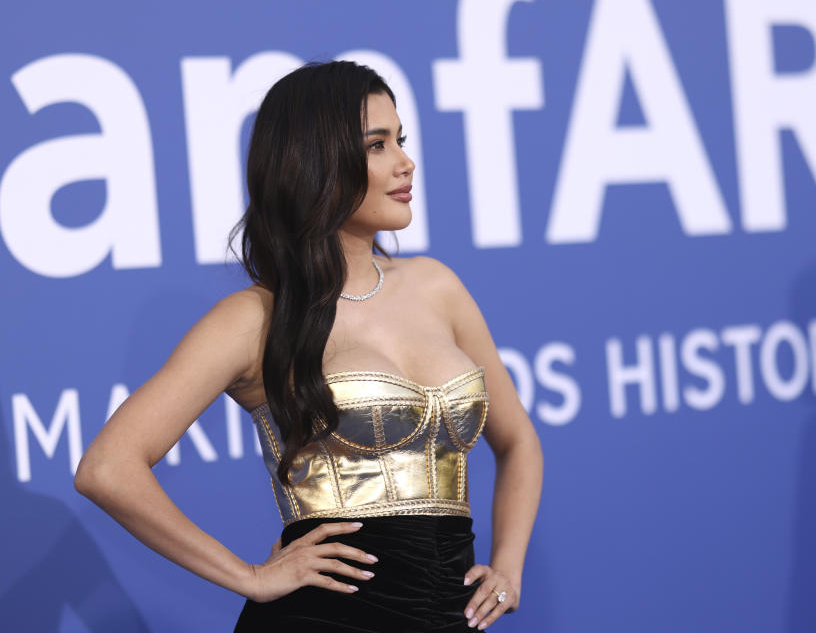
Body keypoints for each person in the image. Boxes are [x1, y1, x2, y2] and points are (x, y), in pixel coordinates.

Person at [74, 60, 544, 632]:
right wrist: (248, 575)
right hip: (324, 617)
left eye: (401, 139)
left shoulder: (437, 286)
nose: (405, 162)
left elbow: (518, 440)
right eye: (377, 145)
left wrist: (510, 567)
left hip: (450, 612)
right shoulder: (256, 318)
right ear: (316, 164)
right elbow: (107, 468)